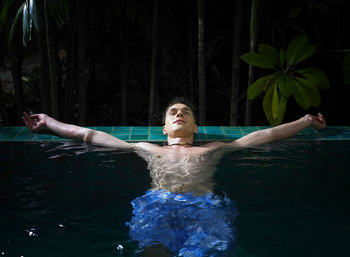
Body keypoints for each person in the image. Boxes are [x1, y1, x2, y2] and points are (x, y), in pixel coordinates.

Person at [22, 97, 326, 256]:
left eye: (186, 112)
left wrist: (305, 121)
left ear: (195, 127)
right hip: (157, 204)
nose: (179, 113)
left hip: (204, 208)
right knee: (154, 253)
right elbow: (90, 135)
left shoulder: (216, 147)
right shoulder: (146, 148)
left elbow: (264, 135)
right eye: (173, 112)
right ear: (164, 129)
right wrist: (49, 122)